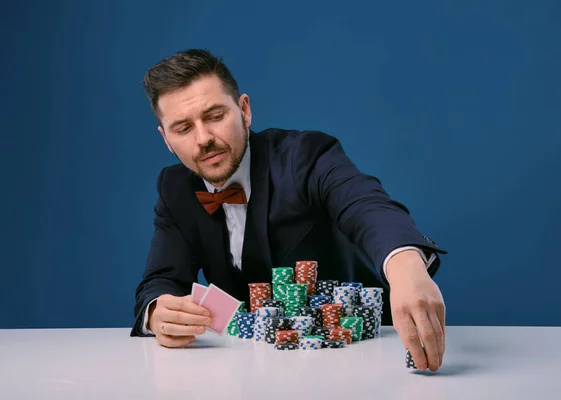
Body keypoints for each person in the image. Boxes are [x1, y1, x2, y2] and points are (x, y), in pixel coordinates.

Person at [131, 48, 448, 371]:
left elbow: (365, 204)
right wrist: (157, 311)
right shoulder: (175, 189)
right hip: (240, 368)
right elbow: (160, 281)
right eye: (183, 128)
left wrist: (405, 265)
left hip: (353, 359)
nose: (203, 139)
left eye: (215, 116)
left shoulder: (306, 156)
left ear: (244, 110)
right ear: (167, 140)